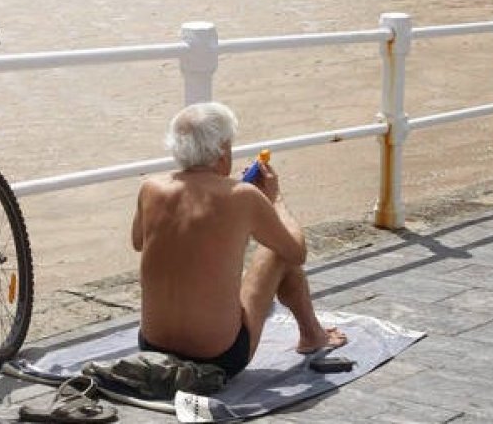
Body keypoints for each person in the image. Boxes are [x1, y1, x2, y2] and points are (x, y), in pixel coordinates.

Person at [131, 103, 347, 381]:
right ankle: (312, 335)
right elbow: (296, 252)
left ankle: (312, 333)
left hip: (152, 346)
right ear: (222, 151)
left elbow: (139, 242)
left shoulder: (150, 187)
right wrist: (275, 199)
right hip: (220, 356)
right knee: (277, 251)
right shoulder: (242, 196)